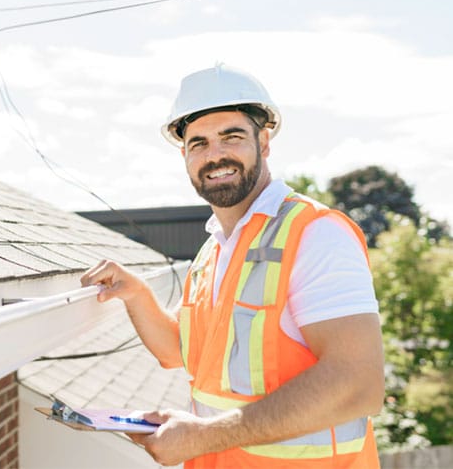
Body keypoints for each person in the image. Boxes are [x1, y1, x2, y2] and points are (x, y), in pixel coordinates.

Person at [81, 64, 384, 468]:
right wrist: (136, 293)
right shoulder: (213, 251)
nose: (215, 154)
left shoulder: (315, 234)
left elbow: (358, 384)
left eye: (232, 137)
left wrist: (202, 436)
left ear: (264, 140)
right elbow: (180, 352)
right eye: (198, 143)